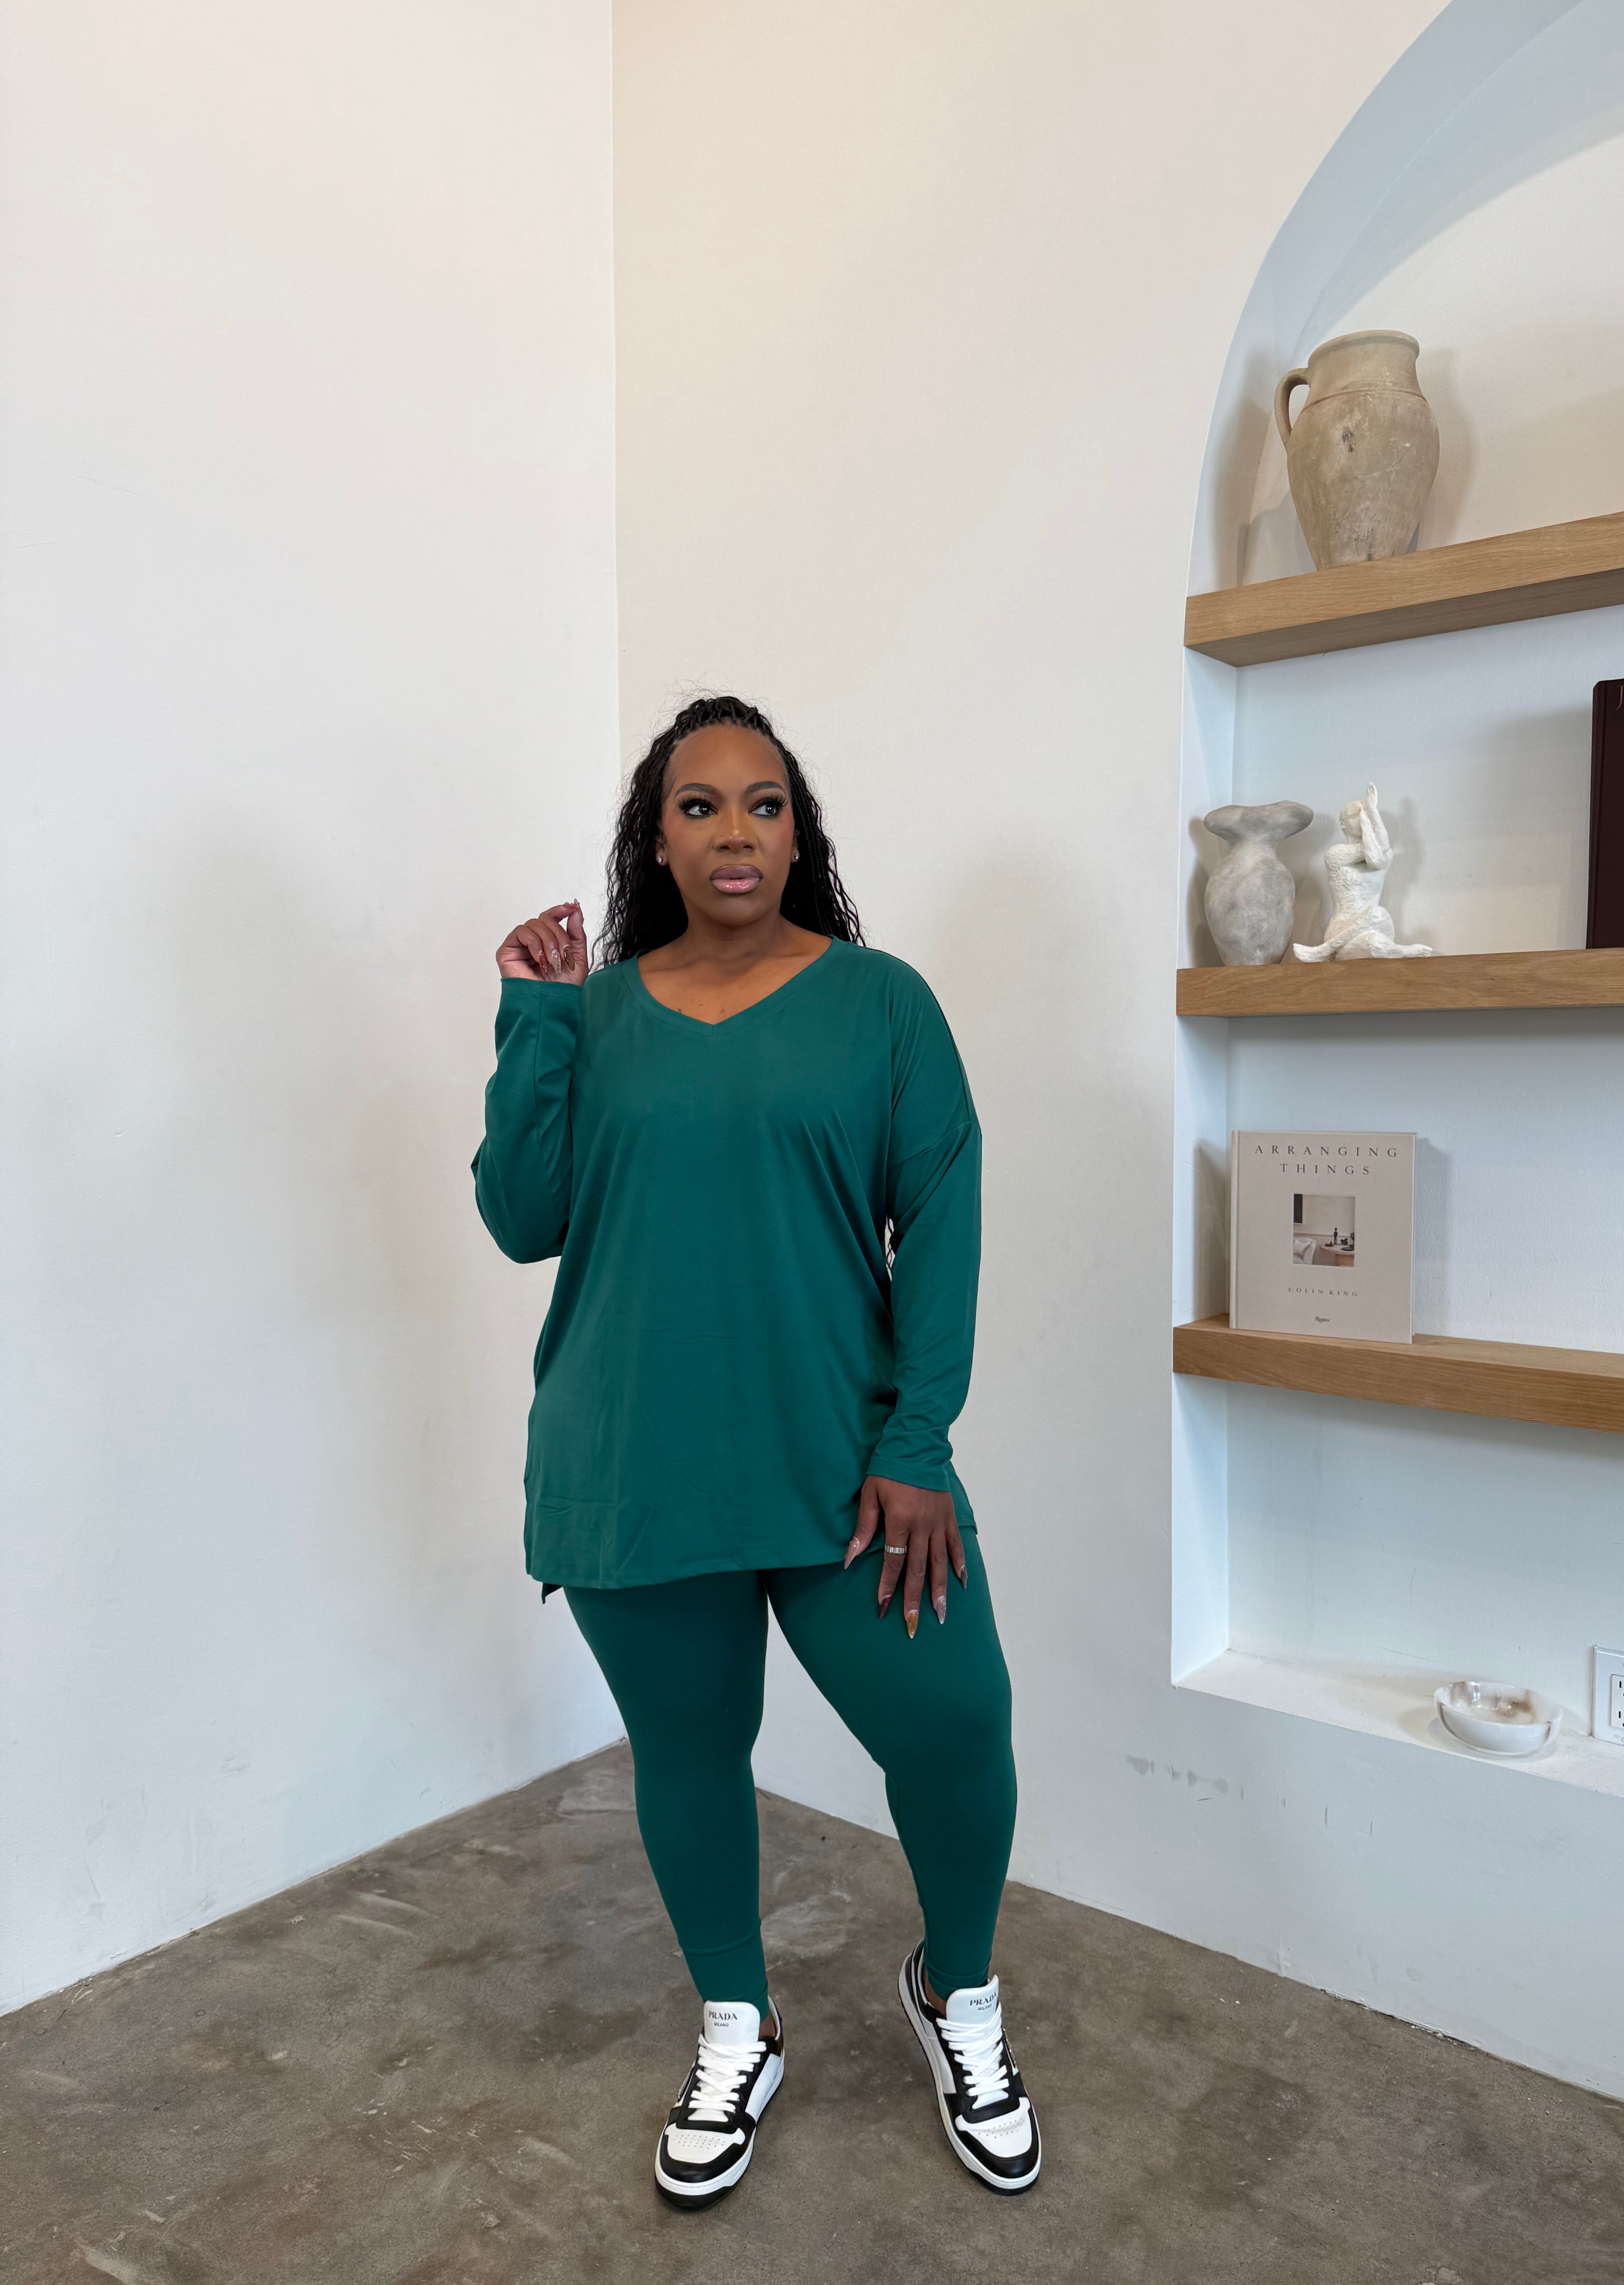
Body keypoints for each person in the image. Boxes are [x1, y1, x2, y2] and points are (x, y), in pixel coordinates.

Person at [472, 694, 1040, 2207]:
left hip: (846, 1465)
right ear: (655, 839)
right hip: (633, 1457)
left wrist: (917, 1441)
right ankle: (741, 2020)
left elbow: (942, 1222)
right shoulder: (595, 1014)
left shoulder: (880, 1003)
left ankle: (957, 1991)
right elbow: (523, 1220)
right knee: (688, 1750)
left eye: (765, 804)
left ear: (800, 833)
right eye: (701, 805)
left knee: (954, 1724)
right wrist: (535, 1020)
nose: (735, 832)